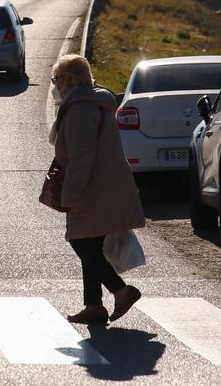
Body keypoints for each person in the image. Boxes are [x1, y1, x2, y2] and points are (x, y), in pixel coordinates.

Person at [50, 54, 146, 324]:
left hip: (94, 187)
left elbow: (82, 156)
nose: (55, 85)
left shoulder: (80, 107)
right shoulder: (93, 101)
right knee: (89, 241)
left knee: (80, 240)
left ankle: (120, 290)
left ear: (68, 80)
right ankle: (93, 305)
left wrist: (70, 194)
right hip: (106, 184)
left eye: (56, 79)